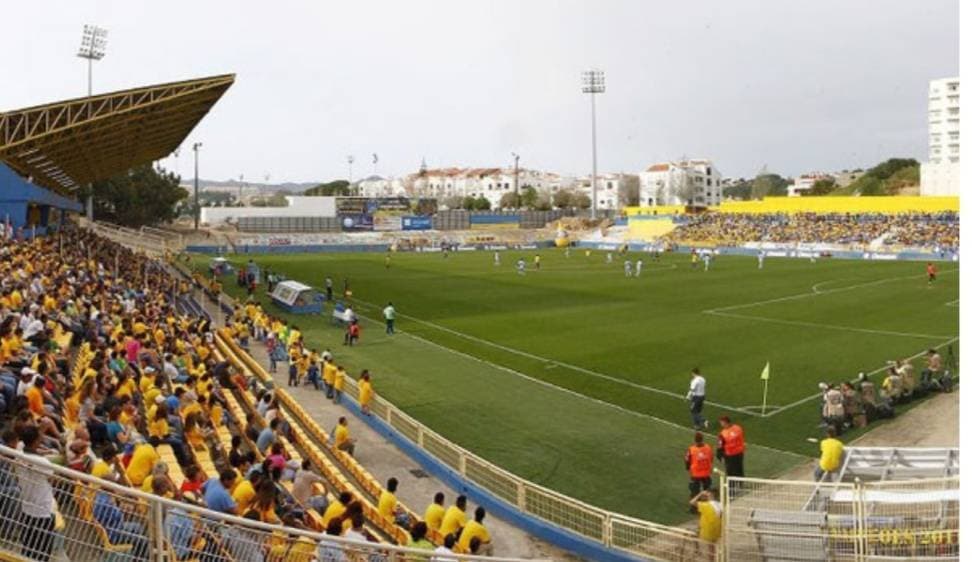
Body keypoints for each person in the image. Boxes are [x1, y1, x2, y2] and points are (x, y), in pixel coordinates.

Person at [16, 426, 57, 562]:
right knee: (42, 552)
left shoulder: (18, 454)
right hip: (43, 511)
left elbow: (26, 448)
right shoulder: (42, 462)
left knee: (27, 548)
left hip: (26, 508)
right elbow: (52, 478)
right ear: (35, 441)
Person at [690, 489, 722, 560]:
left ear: (711, 495)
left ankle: (697, 551)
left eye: (707, 493)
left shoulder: (706, 505)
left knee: (694, 535)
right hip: (717, 529)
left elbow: (692, 502)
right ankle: (699, 551)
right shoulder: (720, 504)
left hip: (707, 529)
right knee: (712, 547)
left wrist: (700, 494)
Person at [685, 432, 714, 501]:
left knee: (694, 490)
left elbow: (687, 460)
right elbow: (711, 458)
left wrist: (688, 468)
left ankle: (694, 507)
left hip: (696, 473)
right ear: (702, 439)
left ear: (694, 440)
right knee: (707, 489)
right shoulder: (708, 447)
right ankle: (707, 504)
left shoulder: (691, 449)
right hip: (706, 473)